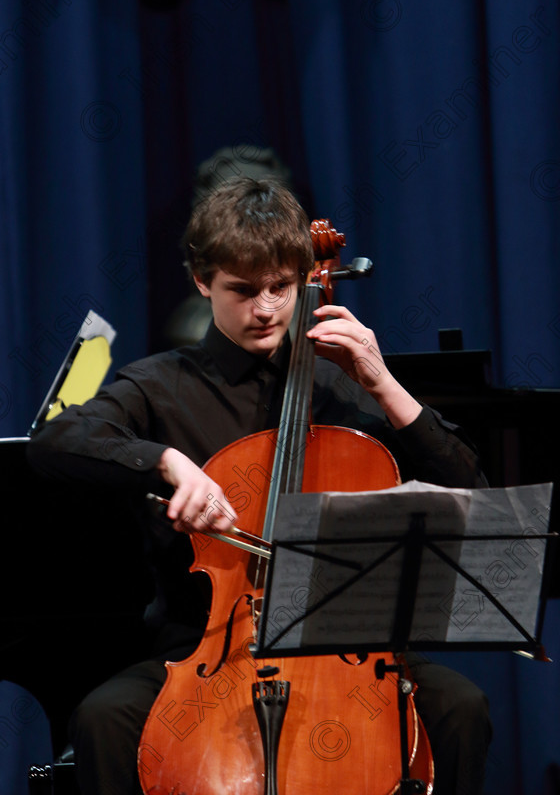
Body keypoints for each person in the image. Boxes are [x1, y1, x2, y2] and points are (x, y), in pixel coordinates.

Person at [27, 177, 492, 795]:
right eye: (243, 291)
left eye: (282, 288)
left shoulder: (343, 386)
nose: (267, 309)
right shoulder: (160, 385)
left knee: (462, 709)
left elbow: (471, 490)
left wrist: (385, 384)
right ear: (202, 282)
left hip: (350, 655)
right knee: (102, 719)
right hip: (206, 648)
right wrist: (167, 460)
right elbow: (55, 441)